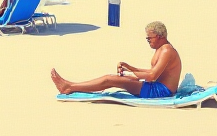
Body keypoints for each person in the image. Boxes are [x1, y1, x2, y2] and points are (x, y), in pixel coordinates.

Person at [51, 21, 182, 99]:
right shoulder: (162, 48)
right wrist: (130, 68)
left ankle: (69, 87)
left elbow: (152, 76)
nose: (148, 41)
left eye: (150, 38)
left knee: (110, 79)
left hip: (160, 91)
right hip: (157, 87)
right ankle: (71, 86)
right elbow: (152, 72)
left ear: (159, 36)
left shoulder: (166, 50)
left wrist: (129, 74)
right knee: (117, 79)